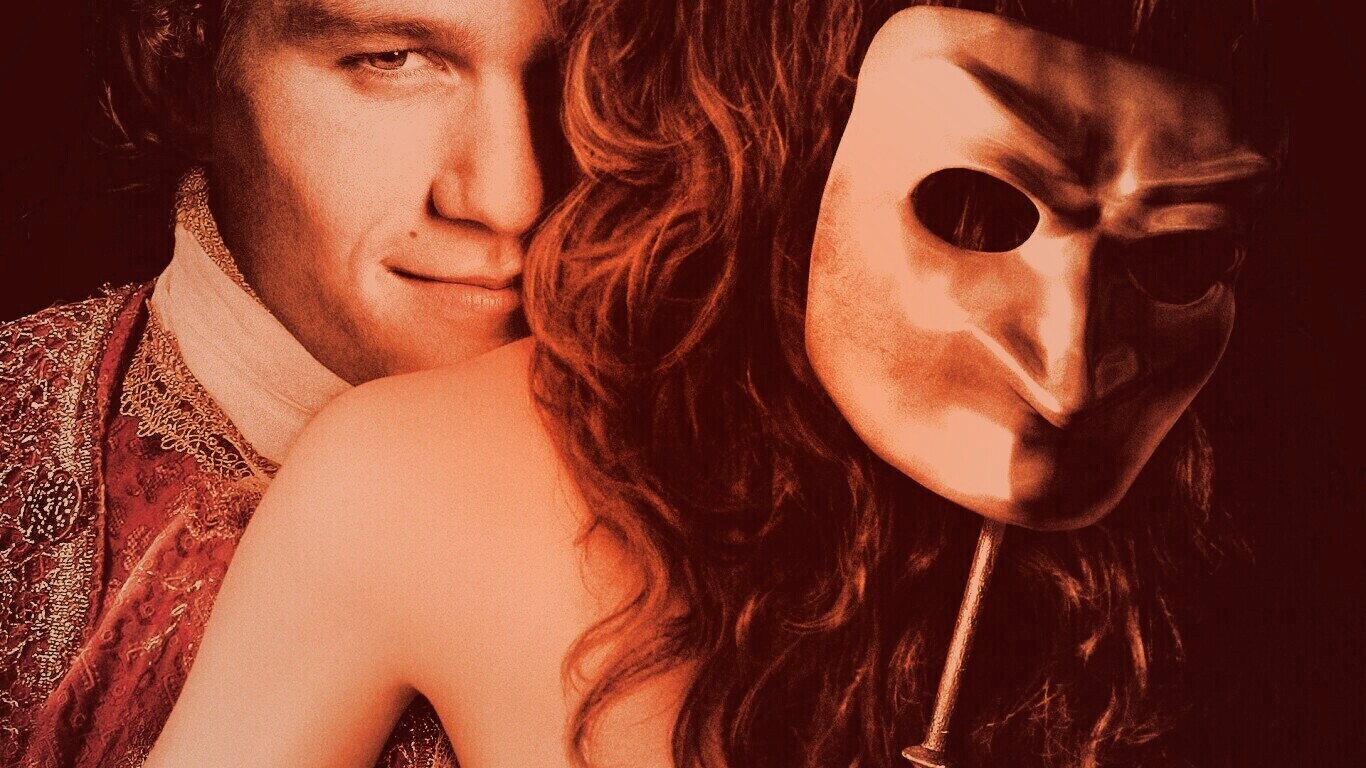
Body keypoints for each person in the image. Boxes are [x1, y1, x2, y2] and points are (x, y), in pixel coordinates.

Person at [147, 1, 1280, 767]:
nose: (1069, 373)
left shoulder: (1232, 565)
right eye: (976, 210)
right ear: (785, 138)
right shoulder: (420, 475)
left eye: (1177, 254)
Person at [0, 0, 565, 764]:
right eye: (391, 60)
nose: (511, 198)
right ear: (181, 64)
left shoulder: (687, 503)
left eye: (567, 72)